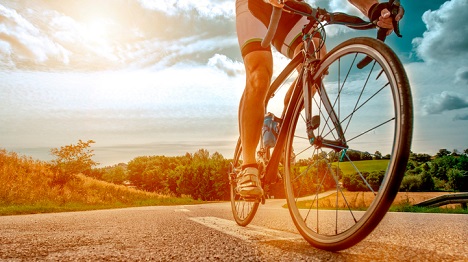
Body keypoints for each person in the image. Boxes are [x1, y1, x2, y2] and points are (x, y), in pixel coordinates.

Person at [235, 0, 404, 198]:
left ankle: (281, 128)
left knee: (316, 63)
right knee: (260, 75)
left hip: (293, 9)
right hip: (256, 7)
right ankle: (248, 166)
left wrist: (373, 9)